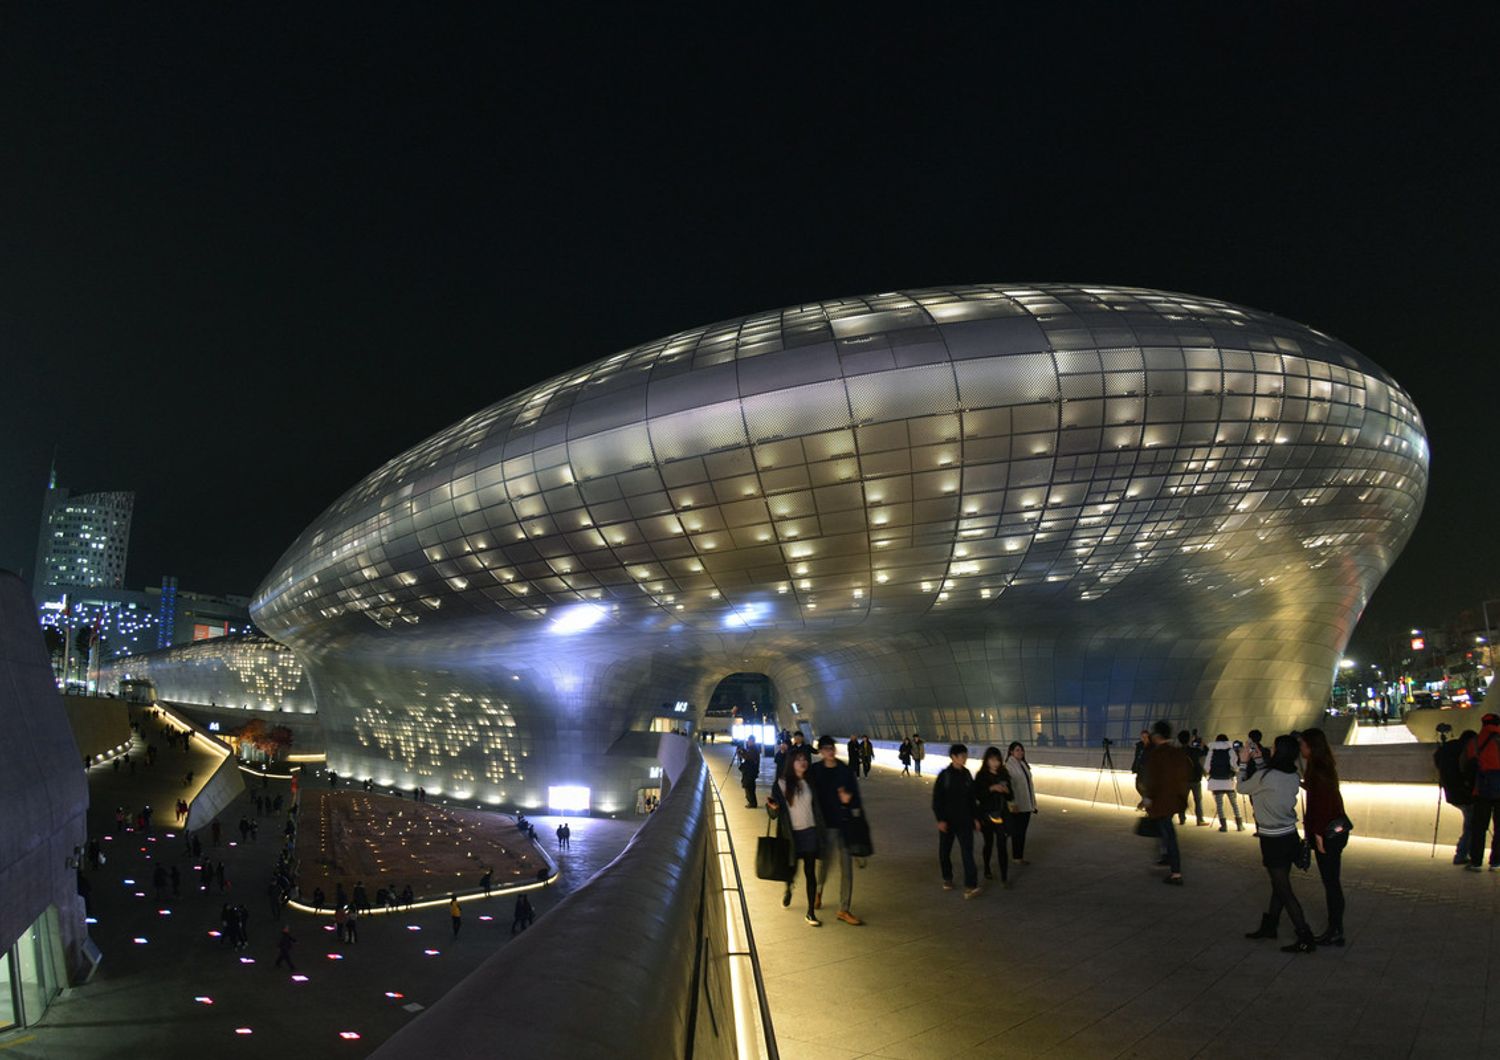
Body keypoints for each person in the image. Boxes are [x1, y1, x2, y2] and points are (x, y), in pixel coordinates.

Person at [1238, 734, 1316, 952]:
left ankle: (1305, 935)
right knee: (1278, 884)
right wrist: (1259, 760)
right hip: (1289, 836)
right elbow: (1268, 779)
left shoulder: (1265, 777)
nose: (1269, 751)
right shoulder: (1292, 774)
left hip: (1273, 840)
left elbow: (1242, 788)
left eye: (1272, 748)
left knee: (1284, 889)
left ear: (1278, 751)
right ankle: (1270, 926)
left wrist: (1244, 763)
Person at [765, 746, 825, 926]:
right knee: (790, 870)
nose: (803, 762)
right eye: (799, 759)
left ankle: (810, 912)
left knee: (810, 872)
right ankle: (788, 888)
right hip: (790, 835)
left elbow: (817, 806)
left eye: (805, 759)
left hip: (810, 832)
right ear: (791, 763)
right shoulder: (781, 784)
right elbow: (773, 813)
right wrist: (773, 808)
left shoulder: (811, 782)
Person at [1300, 728, 1349, 945]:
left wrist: (1318, 836)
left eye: (1303, 744)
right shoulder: (1324, 766)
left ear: (1311, 746)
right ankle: (1336, 927)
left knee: (1331, 883)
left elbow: (1321, 806)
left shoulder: (1318, 770)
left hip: (1327, 834)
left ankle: (1335, 929)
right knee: (1332, 882)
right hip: (1334, 831)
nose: (1301, 748)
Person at [808, 735, 862, 925]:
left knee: (846, 868)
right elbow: (806, 793)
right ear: (821, 752)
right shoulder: (815, 771)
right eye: (825, 749)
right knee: (825, 863)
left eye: (831, 748)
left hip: (845, 825)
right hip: (826, 826)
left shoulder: (844, 771)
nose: (829, 752)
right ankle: (819, 891)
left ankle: (844, 909)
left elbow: (855, 796)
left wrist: (849, 800)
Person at [1140, 721, 1190, 884]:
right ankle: (1166, 857)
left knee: (1169, 835)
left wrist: (1147, 798)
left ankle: (1176, 873)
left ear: (1157, 736)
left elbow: (1152, 779)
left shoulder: (1157, 755)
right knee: (1166, 831)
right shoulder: (1178, 753)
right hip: (1175, 800)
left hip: (1161, 802)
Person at [932, 744, 981, 897]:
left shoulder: (966, 774)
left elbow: (972, 799)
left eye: (965, 756)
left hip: (965, 821)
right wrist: (940, 820)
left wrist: (976, 818)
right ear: (953, 757)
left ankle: (971, 885)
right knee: (944, 851)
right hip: (948, 821)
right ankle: (947, 878)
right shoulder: (944, 775)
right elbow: (937, 799)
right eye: (962, 756)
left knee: (967, 852)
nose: (965, 759)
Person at [1464, 712, 1500, 872]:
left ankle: (1476, 861)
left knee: (1479, 827)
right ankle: (1496, 861)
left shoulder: (1475, 742)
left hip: (1482, 790)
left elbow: (1467, 766)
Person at [1435, 730, 1478, 864]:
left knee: (1469, 822)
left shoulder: (1447, 748)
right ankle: (1462, 854)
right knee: (1471, 824)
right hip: (1464, 792)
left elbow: (1436, 758)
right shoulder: (1465, 751)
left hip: (1451, 791)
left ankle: (1466, 852)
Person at [974, 746, 1011, 886]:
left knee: (1002, 844)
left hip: (1002, 814)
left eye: (997, 760)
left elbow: (1010, 795)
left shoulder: (1004, 774)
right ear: (987, 760)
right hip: (986, 814)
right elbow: (977, 795)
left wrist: (1007, 791)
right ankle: (987, 868)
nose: (995, 763)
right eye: (992, 760)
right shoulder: (981, 775)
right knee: (988, 842)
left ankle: (1004, 877)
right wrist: (991, 788)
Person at [1004, 742, 1037, 863]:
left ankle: (1018, 856)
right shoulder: (1008, 766)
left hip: (1026, 804)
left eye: (1021, 750)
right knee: (1017, 832)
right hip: (1017, 805)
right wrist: (1012, 804)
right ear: (1011, 752)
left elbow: (1029, 786)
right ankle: (1016, 856)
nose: (1020, 752)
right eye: (1017, 750)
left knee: (1021, 832)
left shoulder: (1023, 764)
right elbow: (1009, 786)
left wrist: (1033, 803)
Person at [1204, 734, 1243, 831]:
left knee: (1219, 805)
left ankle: (1224, 826)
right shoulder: (1230, 750)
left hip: (1216, 782)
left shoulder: (1211, 751)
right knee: (1234, 803)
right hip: (1228, 781)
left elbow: (1206, 767)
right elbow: (1235, 765)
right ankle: (1239, 825)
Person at [1177, 731, 1208, 826]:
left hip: (1182, 780)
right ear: (1189, 739)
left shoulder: (1177, 752)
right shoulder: (1193, 750)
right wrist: (1202, 742)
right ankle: (1200, 819)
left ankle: (1182, 818)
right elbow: (1205, 751)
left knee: (1182, 800)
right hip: (1195, 779)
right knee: (1198, 800)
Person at [738, 736, 761, 808]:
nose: (748, 742)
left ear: (753, 741)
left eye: (749, 741)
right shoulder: (752, 749)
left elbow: (748, 757)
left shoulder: (754, 749)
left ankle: (752, 803)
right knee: (749, 786)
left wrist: (741, 753)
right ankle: (751, 802)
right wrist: (743, 751)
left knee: (749, 787)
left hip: (750, 772)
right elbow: (747, 755)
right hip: (750, 771)